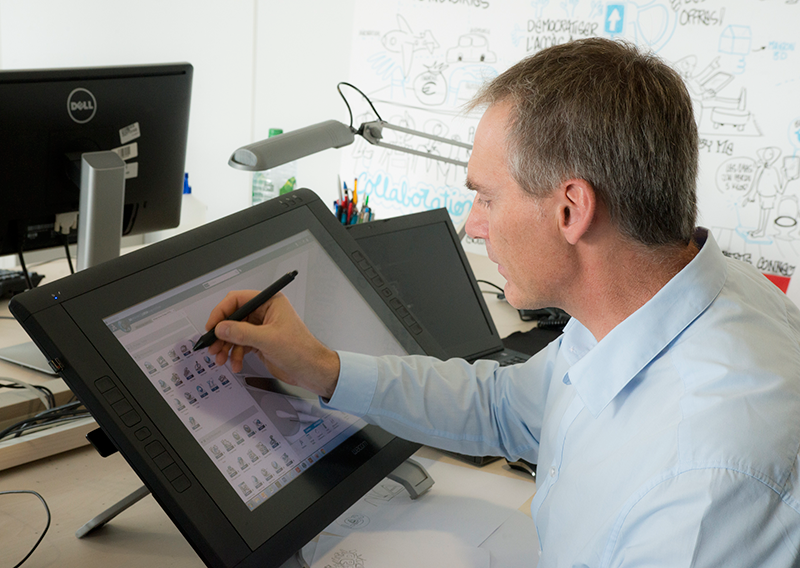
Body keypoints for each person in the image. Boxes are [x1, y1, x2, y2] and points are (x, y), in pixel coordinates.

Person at [207, 38, 800, 566]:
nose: (473, 225)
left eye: (487, 198)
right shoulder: (655, 300)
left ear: (571, 210)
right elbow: (503, 408)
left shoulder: (705, 482)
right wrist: (323, 369)